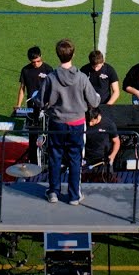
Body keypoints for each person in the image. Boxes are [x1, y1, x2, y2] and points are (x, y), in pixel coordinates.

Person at [38, 38, 101, 205]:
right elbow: (94, 101)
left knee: (55, 157)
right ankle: (74, 195)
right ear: (73, 54)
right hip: (77, 123)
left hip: (57, 122)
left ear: (58, 55)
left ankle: (53, 192)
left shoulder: (51, 77)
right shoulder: (81, 77)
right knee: (75, 159)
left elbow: (40, 101)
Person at [15, 46, 53, 165]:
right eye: (33, 62)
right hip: (31, 107)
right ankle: (32, 159)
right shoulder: (25, 70)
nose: (36, 64)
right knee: (32, 134)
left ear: (41, 57)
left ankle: (46, 158)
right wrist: (18, 105)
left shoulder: (48, 69)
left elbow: (53, 89)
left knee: (46, 133)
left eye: (38, 61)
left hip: (46, 107)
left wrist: (50, 103)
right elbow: (22, 89)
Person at [84, 106, 120, 173]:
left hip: (103, 160)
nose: (89, 124)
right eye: (88, 121)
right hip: (87, 159)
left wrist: (112, 156)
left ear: (97, 117)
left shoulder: (109, 124)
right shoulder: (84, 124)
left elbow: (116, 142)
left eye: (92, 121)